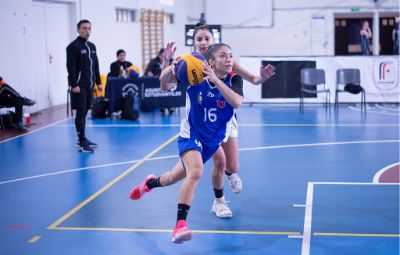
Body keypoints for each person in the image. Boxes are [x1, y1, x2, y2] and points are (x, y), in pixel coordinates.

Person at [155, 25, 275, 218]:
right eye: (199, 39)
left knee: (232, 165)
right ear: (194, 42)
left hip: (224, 119)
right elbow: (165, 86)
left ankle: (230, 174)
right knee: (215, 162)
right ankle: (219, 202)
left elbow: (253, 79)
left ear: (213, 41)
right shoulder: (187, 63)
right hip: (200, 121)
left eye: (207, 39)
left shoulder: (225, 61)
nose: (203, 42)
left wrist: (262, 77)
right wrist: (167, 61)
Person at [130, 43, 244, 243]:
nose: (228, 60)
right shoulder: (195, 76)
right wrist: (169, 64)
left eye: (231, 55)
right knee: (197, 171)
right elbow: (164, 84)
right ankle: (180, 226)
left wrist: (215, 79)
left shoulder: (235, 79)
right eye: (223, 56)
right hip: (191, 134)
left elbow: (236, 102)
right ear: (211, 61)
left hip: (213, 138)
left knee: (172, 177)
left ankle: (149, 184)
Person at [66, 19, 101, 153]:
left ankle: (83, 138)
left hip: (90, 85)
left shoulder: (92, 46)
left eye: (89, 28)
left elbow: (96, 65)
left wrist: (98, 83)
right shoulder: (73, 46)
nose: (87, 31)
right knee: (80, 113)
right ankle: (81, 142)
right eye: (84, 28)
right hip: (79, 86)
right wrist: (74, 84)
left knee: (85, 111)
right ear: (78, 30)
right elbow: (70, 67)